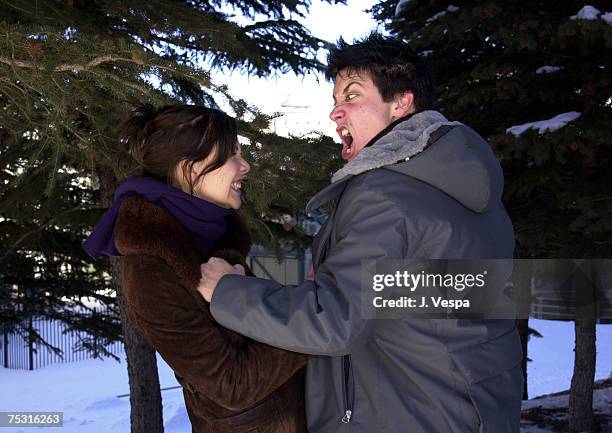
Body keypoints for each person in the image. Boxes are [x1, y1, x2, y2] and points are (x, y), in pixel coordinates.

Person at [198, 33, 523, 433]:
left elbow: (333, 324)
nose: (336, 112)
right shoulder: (461, 182)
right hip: (468, 407)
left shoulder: (386, 192)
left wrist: (228, 291)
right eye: (335, 101)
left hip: (403, 413)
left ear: (402, 102)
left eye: (351, 95)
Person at [84, 104, 308, 433]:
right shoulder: (151, 274)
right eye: (232, 154)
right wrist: (312, 322)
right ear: (190, 170)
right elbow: (231, 385)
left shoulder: (210, 236)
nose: (244, 166)